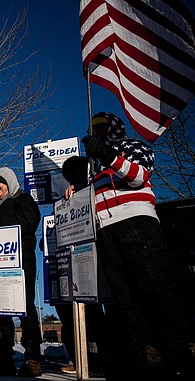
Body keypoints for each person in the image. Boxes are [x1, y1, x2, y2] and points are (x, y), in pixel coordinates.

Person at [79, 111, 195, 378]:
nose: (98, 131)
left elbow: (139, 176)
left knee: (156, 285)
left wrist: (109, 156)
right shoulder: (92, 165)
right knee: (125, 296)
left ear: (114, 127)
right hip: (105, 228)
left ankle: (180, 347)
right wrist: (75, 191)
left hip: (137, 220)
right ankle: (145, 350)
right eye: (94, 128)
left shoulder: (132, 146)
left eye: (103, 126)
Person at [0, 167, 42, 377]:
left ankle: (32, 357)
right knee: (0, 308)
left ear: (10, 182)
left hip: (22, 260)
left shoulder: (24, 200)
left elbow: (29, 222)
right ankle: (2, 357)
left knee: (25, 305)